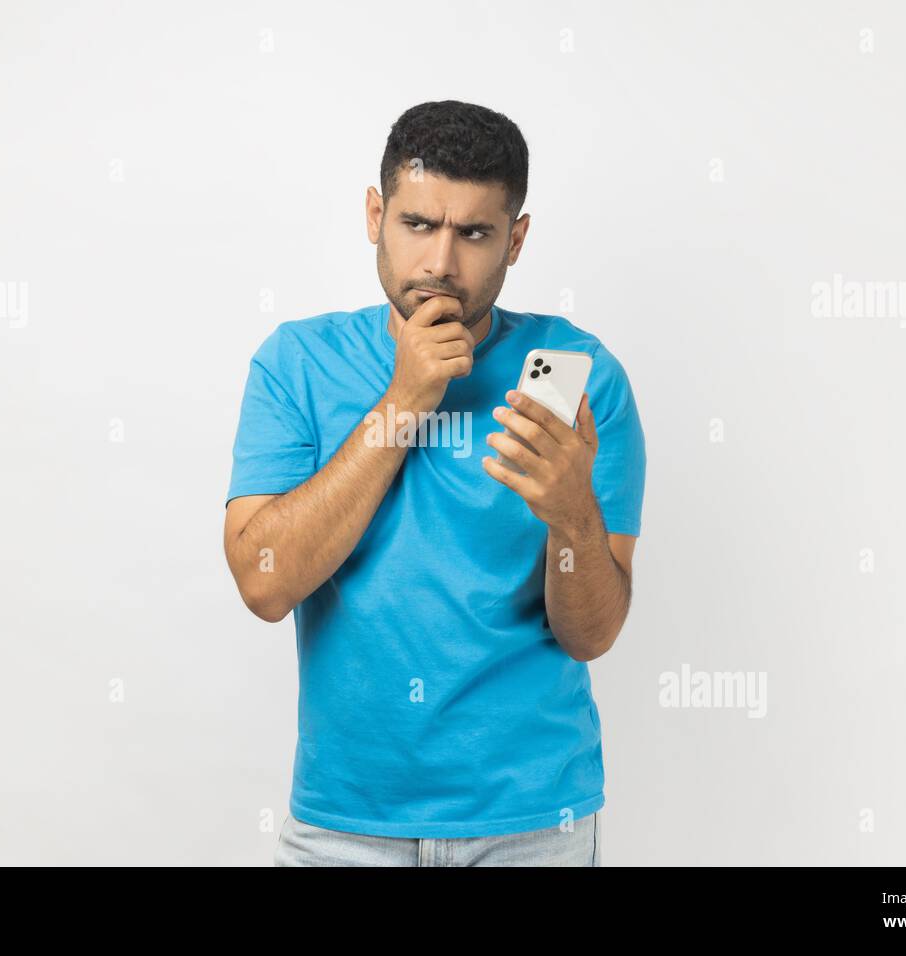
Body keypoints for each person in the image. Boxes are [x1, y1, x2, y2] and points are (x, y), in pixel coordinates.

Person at [223, 100, 646, 866]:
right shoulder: (296, 364)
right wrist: (402, 403)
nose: (441, 263)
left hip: (531, 825)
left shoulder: (577, 378)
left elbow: (592, 634)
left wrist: (572, 515)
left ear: (516, 240)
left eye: (475, 233)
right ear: (375, 214)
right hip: (342, 826)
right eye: (418, 224)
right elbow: (265, 585)